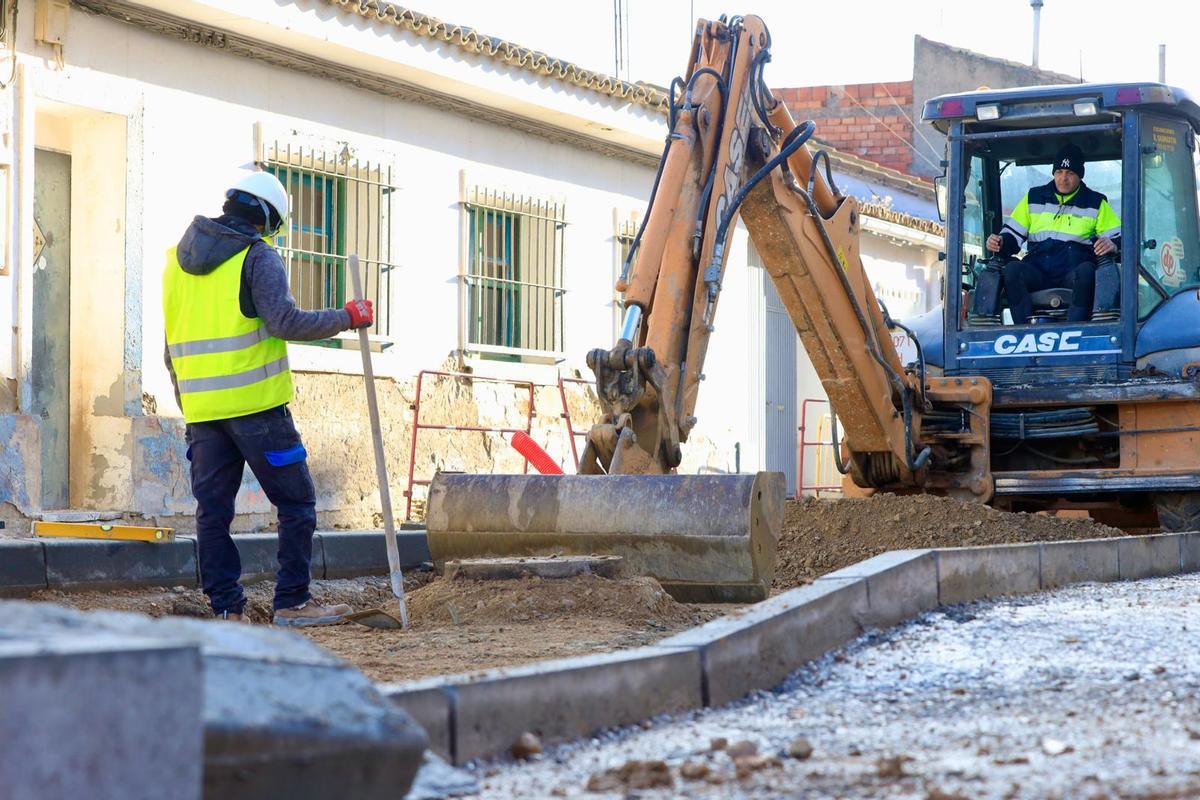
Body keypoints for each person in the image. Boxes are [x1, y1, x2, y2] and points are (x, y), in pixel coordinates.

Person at [162, 171, 375, 626]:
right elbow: (284, 321)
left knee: (213, 514)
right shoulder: (257, 256)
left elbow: (171, 350)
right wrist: (346, 316)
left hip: (204, 414)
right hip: (258, 409)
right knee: (296, 502)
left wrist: (191, 407)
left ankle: (226, 610)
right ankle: (293, 602)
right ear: (266, 217)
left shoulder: (175, 264)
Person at [986, 144, 1121, 323]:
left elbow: (1119, 237)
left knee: (1088, 270)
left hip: (1072, 272)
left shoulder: (1095, 203)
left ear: (1080, 175)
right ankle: (1023, 331)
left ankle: (1074, 330)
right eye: (1059, 172)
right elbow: (1012, 235)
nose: (1063, 179)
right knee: (1012, 270)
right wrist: (999, 242)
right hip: (1038, 269)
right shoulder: (1033, 198)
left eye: (1070, 173)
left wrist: (1112, 245)